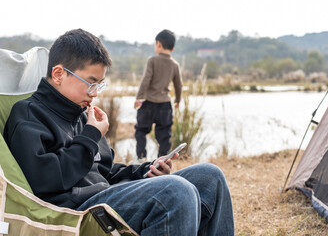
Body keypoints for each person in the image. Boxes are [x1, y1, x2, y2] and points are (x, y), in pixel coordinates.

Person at [3, 29, 234, 235]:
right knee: (176, 192)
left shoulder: (82, 115)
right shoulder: (28, 115)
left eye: (100, 84)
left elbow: (106, 172)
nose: (95, 93)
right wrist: (91, 135)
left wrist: (146, 172)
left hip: (107, 195)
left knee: (210, 177)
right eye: (91, 82)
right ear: (58, 74)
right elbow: (45, 180)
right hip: (78, 211)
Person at [134, 29, 182, 160]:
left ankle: (141, 158)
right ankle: (163, 160)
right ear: (172, 48)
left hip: (148, 103)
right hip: (165, 105)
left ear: (158, 44)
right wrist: (178, 100)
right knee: (164, 135)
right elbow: (178, 85)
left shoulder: (152, 60)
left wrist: (139, 97)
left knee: (141, 131)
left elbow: (146, 80)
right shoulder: (175, 65)